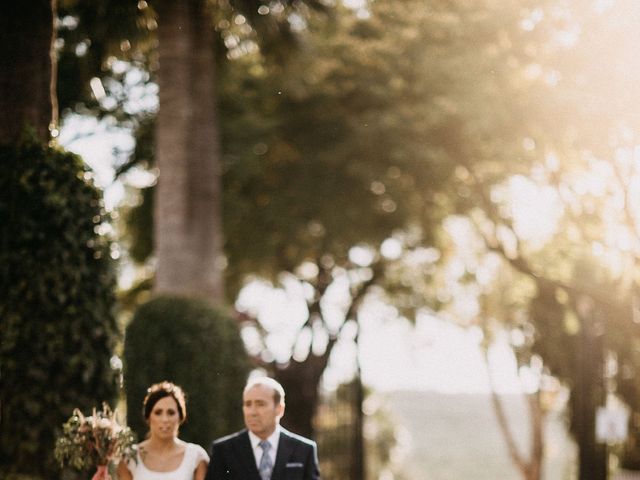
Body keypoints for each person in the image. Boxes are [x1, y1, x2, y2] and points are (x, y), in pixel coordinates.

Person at [205, 377, 320, 480]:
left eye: (260, 404)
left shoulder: (304, 450)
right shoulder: (223, 450)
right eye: (248, 404)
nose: (252, 412)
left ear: (279, 409)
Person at [118, 381, 209, 480]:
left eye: (171, 413)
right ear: (148, 417)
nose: (165, 419)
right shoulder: (130, 457)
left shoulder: (196, 457)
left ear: (180, 417)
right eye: (158, 413)